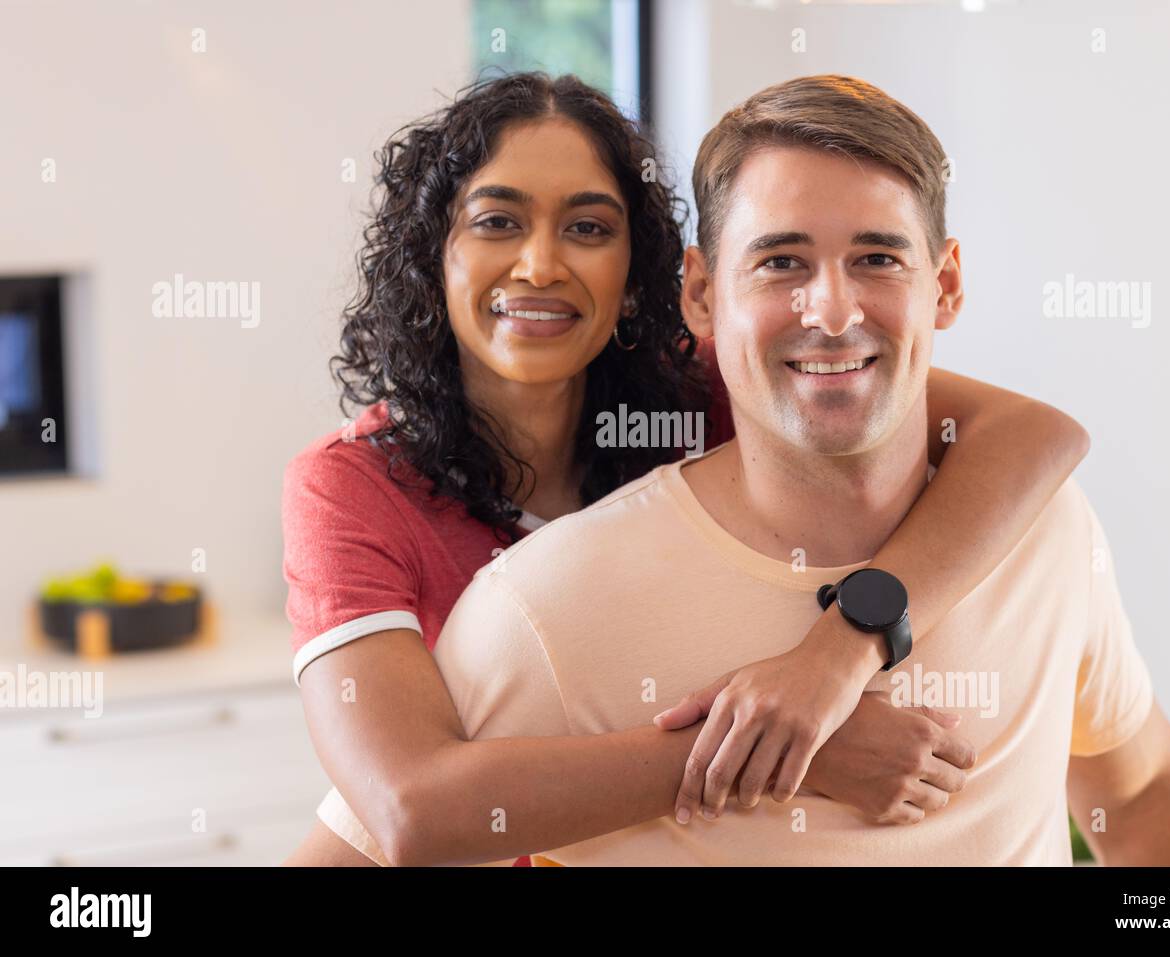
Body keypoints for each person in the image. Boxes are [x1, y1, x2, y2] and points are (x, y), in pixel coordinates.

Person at [283, 73, 1095, 867]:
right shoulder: (351, 487)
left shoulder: (716, 383)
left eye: (590, 228)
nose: (538, 265)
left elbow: (1032, 433)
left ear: (643, 278)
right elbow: (410, 811)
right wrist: (788, 745)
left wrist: (839, 653)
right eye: (497, 221)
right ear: (433, 254)